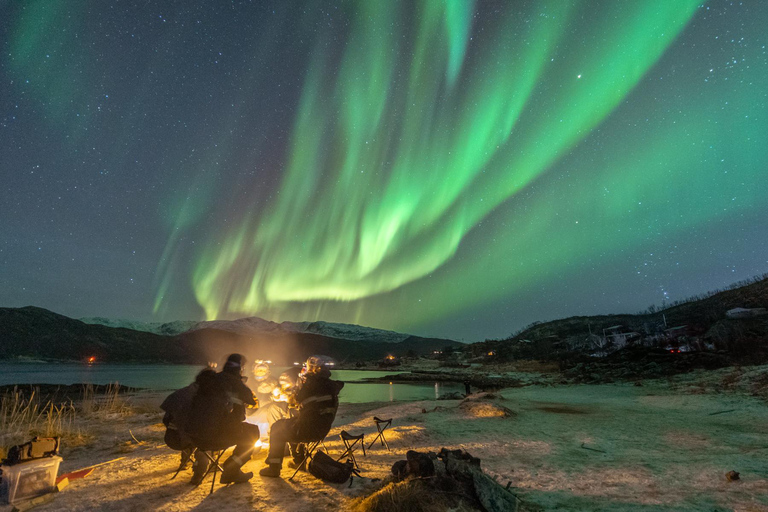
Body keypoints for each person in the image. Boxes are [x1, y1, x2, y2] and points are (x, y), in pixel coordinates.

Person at [260, 356, 344, 478]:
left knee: (277, 427)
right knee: (290, 423)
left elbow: (294, 400)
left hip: (307, 430)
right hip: (322, 429)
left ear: (313, 369)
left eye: (308, 368)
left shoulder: (310, 384)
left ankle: (274, 468)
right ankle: (298, 461)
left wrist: (285, 393)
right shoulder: (331, 386)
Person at [185, 353, 260, 485]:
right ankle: (231, 470)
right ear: (240, 368)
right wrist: (241, 384)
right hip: (214, 437)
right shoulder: (234, 382)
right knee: (252, 432)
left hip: (193, 436)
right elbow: (252, 401)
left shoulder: (212, 380)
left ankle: (199, 472)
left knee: (209, 427)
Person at [160, 366, 215, 476]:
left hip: (171, 438)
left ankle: (185, 462)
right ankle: (200, 472)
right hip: (186, 440)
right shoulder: (206, 399)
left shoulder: (179, 393)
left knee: (186, 429)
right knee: (208, 436)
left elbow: (166, 420)